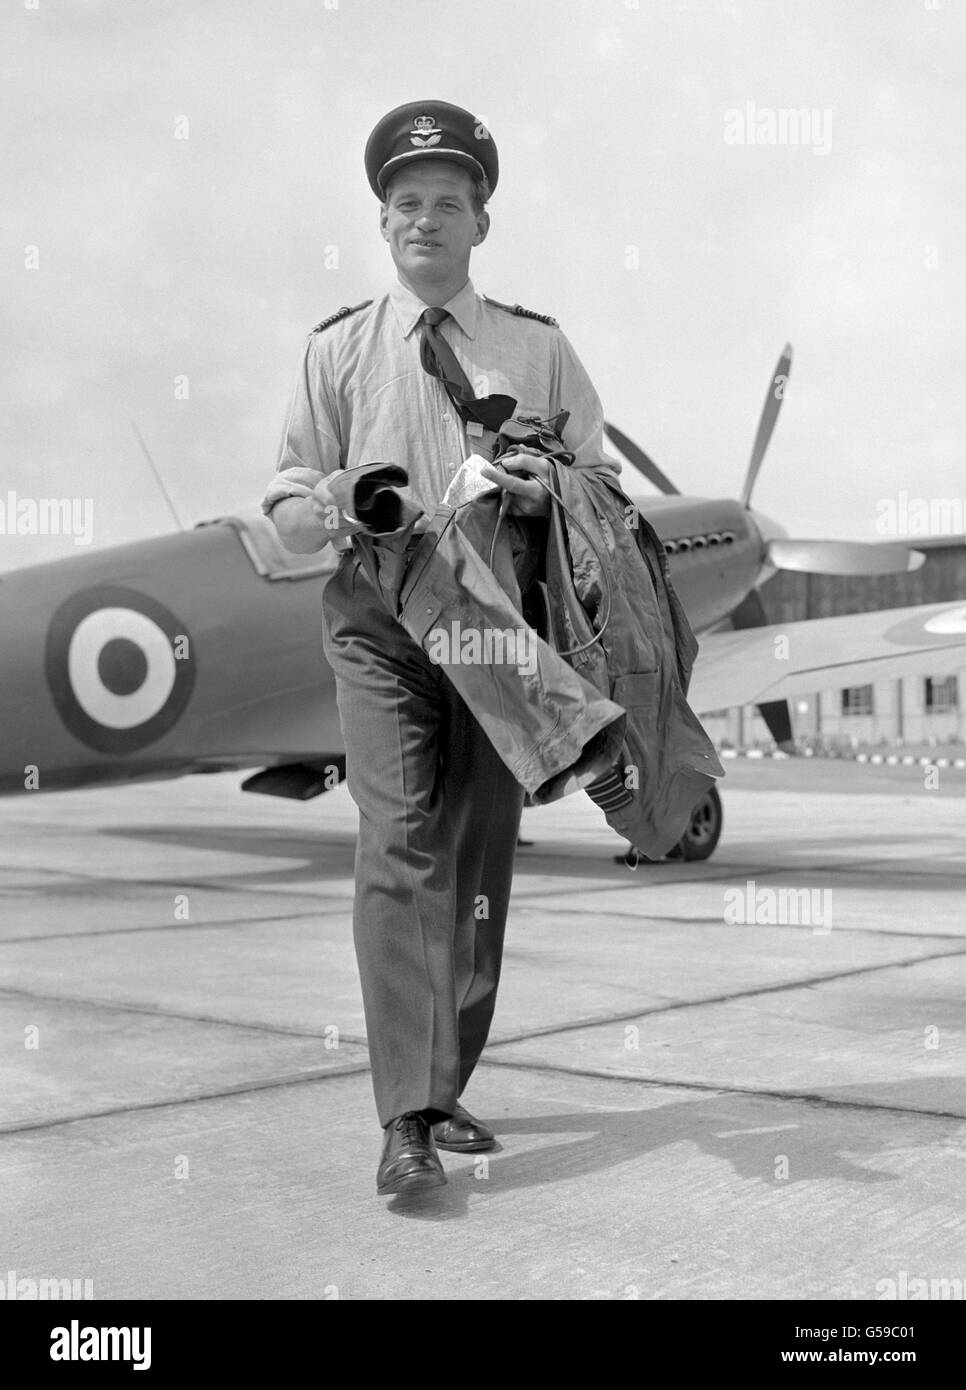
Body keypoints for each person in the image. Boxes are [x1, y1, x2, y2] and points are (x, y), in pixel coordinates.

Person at [262, 100, 619, 1195]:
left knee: (475, 858)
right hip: (378, 616)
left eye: (448, 204)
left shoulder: (538, 345)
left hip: (495, 624)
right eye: (406, 203)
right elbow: (278, 506)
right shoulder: (336, 348)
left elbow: (605, 485)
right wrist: (327, 501)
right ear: (383, 223)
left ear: (481, 223)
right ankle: (406, 1115)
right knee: (398, 838)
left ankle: (445, 1074)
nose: (427, 219)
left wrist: (540, 483)